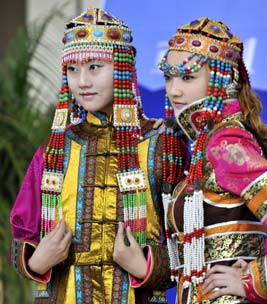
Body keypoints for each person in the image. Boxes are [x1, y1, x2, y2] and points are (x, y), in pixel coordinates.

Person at [9, 8, 189, 303]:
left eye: (94, 67)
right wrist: (36, 261)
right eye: (72, 69)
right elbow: (23, 232)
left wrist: (145, 266)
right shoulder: (55, 150)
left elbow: (192, 242)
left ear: (123, 68)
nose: (81, 82)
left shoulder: (162, 145)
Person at [155, 17, 267, 304]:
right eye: (168, 77)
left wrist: (255, 278)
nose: (173, 90)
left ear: (225, 78)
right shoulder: (207, 139)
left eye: (187, 77)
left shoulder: (223, 143)